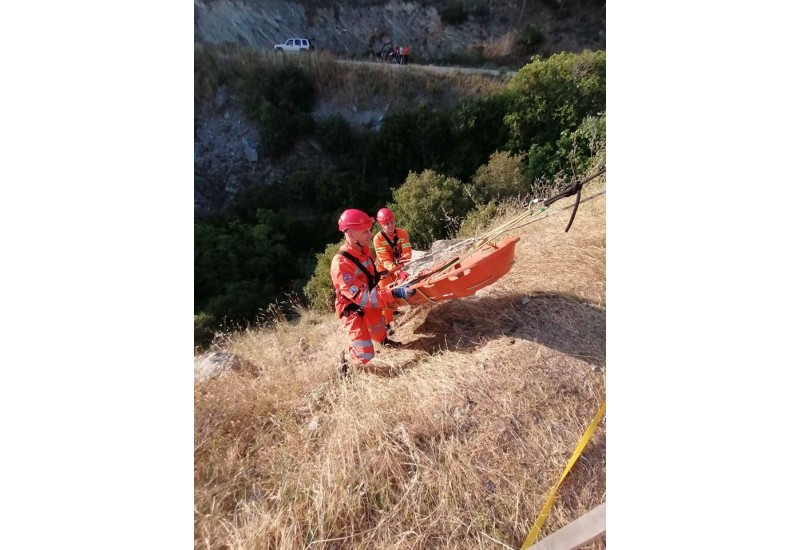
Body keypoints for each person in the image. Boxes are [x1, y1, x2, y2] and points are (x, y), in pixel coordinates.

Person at [331, 208, 416, 377]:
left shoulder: (364, 251)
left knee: (379, 329)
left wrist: (394, 273)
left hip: (370, 301)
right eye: (365, 231)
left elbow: (373, 275)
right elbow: (362, 298)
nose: (371, 235)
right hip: (354, 310)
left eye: (369, 230)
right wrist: (394, 293)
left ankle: (384, 341)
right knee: (365, 354)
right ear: (350, 233)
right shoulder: (341, 265)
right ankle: (347, 357)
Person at [372, 207, 413, 332]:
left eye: (392, 222)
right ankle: (387, 324)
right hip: (383, 271)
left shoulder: (402, 233)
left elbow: (407, 252)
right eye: (386, 224)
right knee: (385, 296)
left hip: (397, 267)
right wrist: (398, 271)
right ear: (381, 225)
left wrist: (403, 260)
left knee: (396, 292)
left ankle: (395, 312)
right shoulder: (378, 239)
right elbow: (384, 260)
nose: (390, 226)